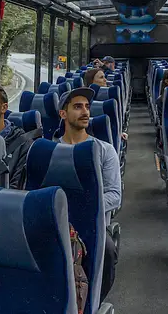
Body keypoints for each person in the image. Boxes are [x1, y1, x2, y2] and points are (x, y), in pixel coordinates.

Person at [57, 86, 120, 301]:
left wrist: (82, 208)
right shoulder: (50, 152)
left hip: (92, 224)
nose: (85, 111)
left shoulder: (104, 150)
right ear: (63, 114)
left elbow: (114, 194)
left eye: (86, 107)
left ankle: (93, 302)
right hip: (57, 223)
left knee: (108, 250)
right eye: (77, 107)